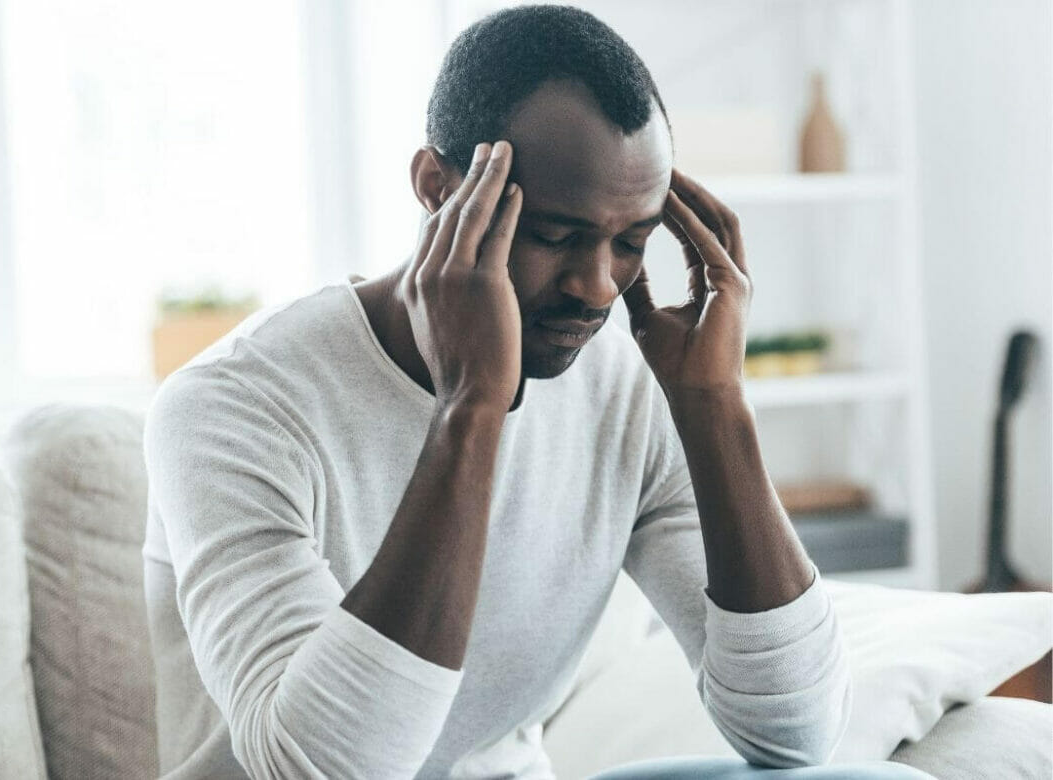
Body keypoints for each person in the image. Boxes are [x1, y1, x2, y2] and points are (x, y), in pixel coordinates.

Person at [140, 5, 935, 779]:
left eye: (630, 241)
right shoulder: (230, 408)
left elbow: (794, 730)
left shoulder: (624, 385)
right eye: (554, 236)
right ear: (435, 186)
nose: (596, 287)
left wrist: (713, 405)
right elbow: (321, 770)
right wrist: (471, 410)